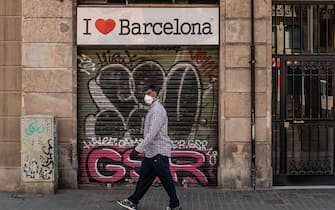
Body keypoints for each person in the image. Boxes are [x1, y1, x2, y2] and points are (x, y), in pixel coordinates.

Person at [117, 84, 182, 210]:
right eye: (145, 94)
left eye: (149, 93)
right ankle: (133, 201)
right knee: (144, 178)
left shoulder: (157, 110)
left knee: (166, 179)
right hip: (152, 152)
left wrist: (138, 149)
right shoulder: (153, 109)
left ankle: (175, 205)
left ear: (156, 94)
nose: (146, 96)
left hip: (158, 151)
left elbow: (153, 133)